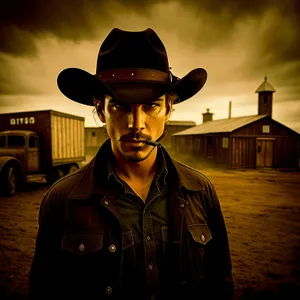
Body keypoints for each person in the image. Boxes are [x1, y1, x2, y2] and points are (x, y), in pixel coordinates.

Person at [28, 28, 234, 300]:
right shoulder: (62, 199)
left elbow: (221, 284)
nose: (136, 125)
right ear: (100, 110)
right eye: (121, 106)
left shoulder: (201, 192)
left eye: (151, 106)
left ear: (169, 110)